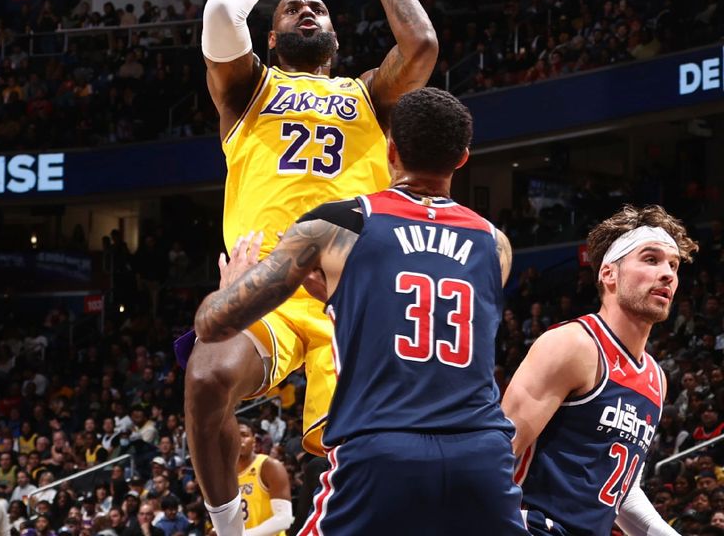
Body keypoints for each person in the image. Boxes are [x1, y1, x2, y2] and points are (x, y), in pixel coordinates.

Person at [184, 0, 437, 529]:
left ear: (335, 35)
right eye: (293, 8)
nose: (308, 11)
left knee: (363, 449)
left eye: (319, 9)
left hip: (350, 293)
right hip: (266, 281)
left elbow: (421, 44)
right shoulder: (248, 88)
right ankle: (228, 528)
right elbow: (222, 14)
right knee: (206, 376)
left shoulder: (369, 94)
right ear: (270, 38)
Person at [193, 88, 526, 535]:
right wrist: (338, 296)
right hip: (481, 456)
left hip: (382, 448)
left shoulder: (337, 224)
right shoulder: (496, 244)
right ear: (462, 158)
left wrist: (230, 288)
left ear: (390, 150)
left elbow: (213, 326)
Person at [502, 204, 699, 536]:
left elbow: (622, 492)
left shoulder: (656, 378)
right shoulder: (573, 345)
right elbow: (498, 451)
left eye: (673, 265)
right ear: (609, 273)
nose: (667, 273)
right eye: (650, 259)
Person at [236, 418, 292, 536]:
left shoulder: (269, 466)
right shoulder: (226, 476)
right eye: (233, 436)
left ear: (254, 441)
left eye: (244, 435)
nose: (239, 440)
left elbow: (284, 519)